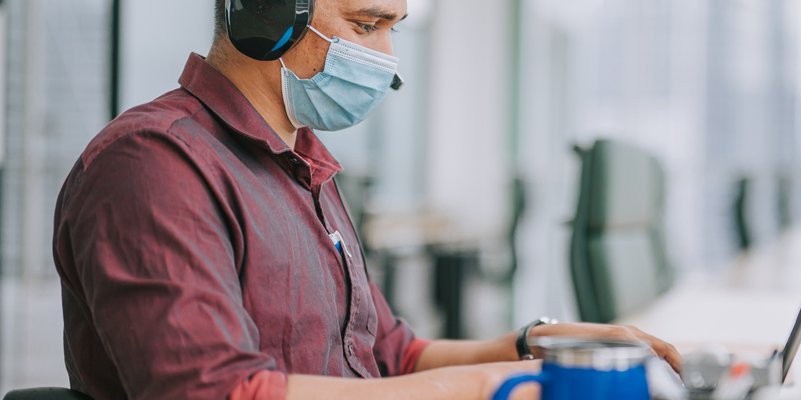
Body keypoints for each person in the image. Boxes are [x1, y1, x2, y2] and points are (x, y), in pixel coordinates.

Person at [50, 0, 680, 399]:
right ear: (269, 13)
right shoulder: (154, 163)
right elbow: (218, 394)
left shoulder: (305, 164)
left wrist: (534, 346)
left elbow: (392, 354)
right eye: (366, 24)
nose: (385, 60)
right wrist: (488, 387)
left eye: (393, 28)